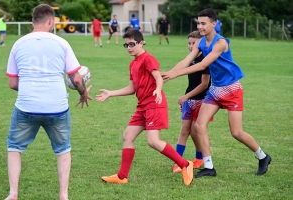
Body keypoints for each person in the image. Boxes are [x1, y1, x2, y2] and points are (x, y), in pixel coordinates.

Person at [161, 8, 271, 178]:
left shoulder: (221, 43)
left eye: (203, 23)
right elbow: (187, 60)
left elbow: (202, 65)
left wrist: (175, 74)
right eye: (198, 23)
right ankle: (209, 167)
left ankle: (262, 156)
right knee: (198, 126)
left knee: (236, 132)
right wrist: (168, 73)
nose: (200, 26)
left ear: (214, 24)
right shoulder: (200, 42)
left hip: (232, 90)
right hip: (215, 90)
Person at [5, 4, 92, 200]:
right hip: (57, 107)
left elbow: (12, 83)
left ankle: (13, 193)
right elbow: (77, 78)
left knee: (14, 147)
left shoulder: (18, 44)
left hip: (26, 106)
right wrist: (83, 93)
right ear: (51, 21)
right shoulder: (62, 43)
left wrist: (30, 86)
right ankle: (63, 196)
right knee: (63, 150)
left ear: (32, 21)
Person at [95, 29, 193, 186]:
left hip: (154, 104)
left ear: (141, 43)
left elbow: (157, 77)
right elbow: (131, 89)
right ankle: (122, 176)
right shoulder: (133, 63)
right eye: (126, 45)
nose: (128, 47)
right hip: (142, 106)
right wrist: (110, 93)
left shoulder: (148, 59)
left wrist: (158, 89)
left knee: (153, 141)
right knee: (127, 136)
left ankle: (185, 165)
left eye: (132, 44)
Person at [172, 31, 211, 173]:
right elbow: (181, 65)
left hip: (203, 100)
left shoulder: (206, 60)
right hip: (189, 99)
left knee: (195, 131)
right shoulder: (190, 59)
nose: (190, 46)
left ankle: (199, 158)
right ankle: (178, 161)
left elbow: (204, 84)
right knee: (184, 130)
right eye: (189, 43)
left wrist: (186, 96)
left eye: (193, 43)